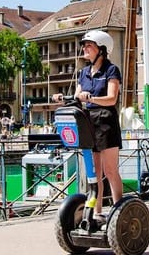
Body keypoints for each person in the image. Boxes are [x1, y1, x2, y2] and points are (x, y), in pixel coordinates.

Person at [52, 30, 123, 223]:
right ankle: (97, 212)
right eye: (84, 45)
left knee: (110, 170)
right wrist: (62, 99)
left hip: (106, 121)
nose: (85, 48)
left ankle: (119, 211)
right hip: (87, 121)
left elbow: (112, 99)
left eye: (89, 45)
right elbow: (77, 97)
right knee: (94, 171)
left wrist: (91, 98)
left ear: (101, 50)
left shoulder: (111, 70)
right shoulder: (83, 73)